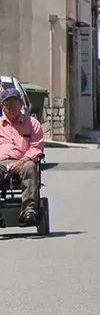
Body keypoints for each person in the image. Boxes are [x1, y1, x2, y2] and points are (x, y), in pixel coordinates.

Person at [0, 88, 44, 223]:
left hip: (23, 162)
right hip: (1, 163)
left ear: (21, 104)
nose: (11, 107)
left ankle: (29, 209)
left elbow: (36, 147)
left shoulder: (32, 124)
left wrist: (21, 161)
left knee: (30, 166)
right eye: (7, 103)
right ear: (2, 106)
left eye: (14, 102)